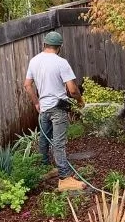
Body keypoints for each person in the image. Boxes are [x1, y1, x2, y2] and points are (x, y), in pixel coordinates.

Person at [24, 31, 85, 192]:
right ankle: (64, 178)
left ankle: (45, 168)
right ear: (59, 47)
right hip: (58, 108)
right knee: (59, 143)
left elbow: (27, 85)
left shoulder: (34, 61)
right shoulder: (61, 62)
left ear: (44, 44)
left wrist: (36, 103)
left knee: (44, 140)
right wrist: (80, 101)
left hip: (44, 108)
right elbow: (72, 90)